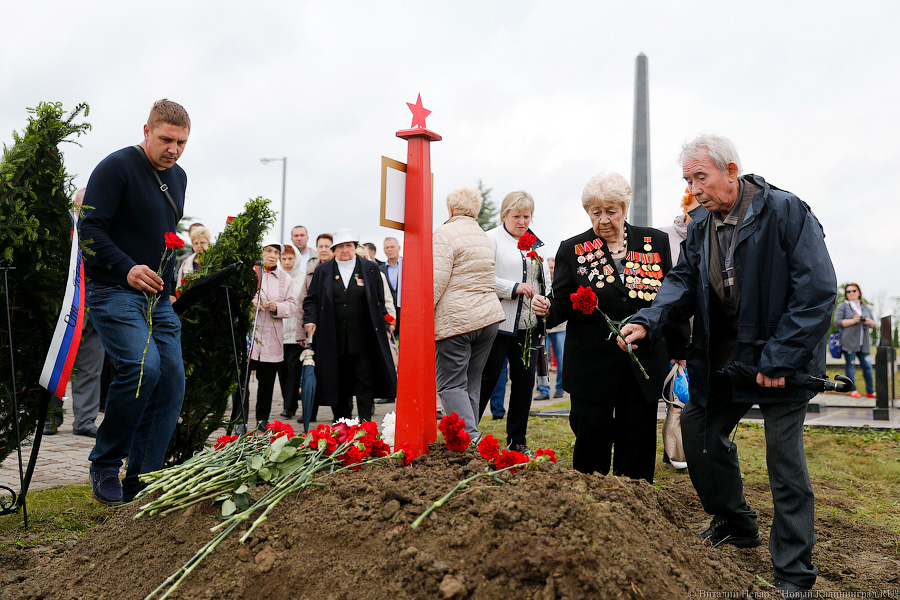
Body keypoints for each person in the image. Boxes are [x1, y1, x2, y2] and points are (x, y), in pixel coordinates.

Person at [618, 134, 836, 597]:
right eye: (688, 181)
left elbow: (816, 291)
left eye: (701, 177)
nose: (694, 189)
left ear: (731, 171)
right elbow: (681, 282)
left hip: (782, 360)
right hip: (725, 357)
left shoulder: (785, 211)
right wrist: (647, 319)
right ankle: (736, 522)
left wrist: (780, 358)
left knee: (784, 463)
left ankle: (794, 573)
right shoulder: (700, 225)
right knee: (698, 431)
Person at [531, 171, 686, 482]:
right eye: (595, 212)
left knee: (638, 437)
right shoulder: (572, 249)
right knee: (591, 434)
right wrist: (546, 308)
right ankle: (591, 496)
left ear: (624, 209)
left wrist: (680, 350)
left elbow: (670, 299)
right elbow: (561, 303)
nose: (603, 220)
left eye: (611, 211)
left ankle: (635, 497)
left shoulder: (654, 241)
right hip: (591, 363)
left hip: (642, 359)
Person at [79, 99, 191, 505]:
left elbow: (164, 238)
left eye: (181, 142)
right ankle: (105, 463)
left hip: (157, 300)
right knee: (144, 366)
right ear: (146, 131)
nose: (173, 150)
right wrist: (126, 267)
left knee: (172, 378)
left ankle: (142, 480)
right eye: (165, 140)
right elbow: (89, 229)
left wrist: (170, 284)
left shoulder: (178, 177)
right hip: (113, 290)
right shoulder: (116, 167)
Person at [477, 191, 550, 454]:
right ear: (504, 214)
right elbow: (482, 276)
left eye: (526, 216)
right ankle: (467, 434)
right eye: (516, 216)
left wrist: (546, 302)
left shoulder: (536, 244)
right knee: (486, 380)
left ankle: (517, 440)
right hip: (498, 325)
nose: (522, 221)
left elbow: (543, 280)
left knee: (524, 383)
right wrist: (513, 287)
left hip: (528, 328)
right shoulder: (491, 238)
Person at [433, 186, 506, 441]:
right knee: (471, 384)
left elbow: (435, 281)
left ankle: (470, 441)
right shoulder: (482, 235)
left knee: (451, 384)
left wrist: (422, 317)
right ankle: (471, 443)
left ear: (450, 209)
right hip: (488, 318)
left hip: (457, 320)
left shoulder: (444, 234)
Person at [303, 229, 396, 422]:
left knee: (365, 380)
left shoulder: (371, 269)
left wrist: (385, 326)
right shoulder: (323, 271)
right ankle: (342, 422)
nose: (345, 250)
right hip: (333, 337)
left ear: (355, 247)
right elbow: (311, 300)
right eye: (340, 247)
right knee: (338, 381)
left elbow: (379, 302)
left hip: (364, 337)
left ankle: (365, 423)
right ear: (334, 249)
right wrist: (310, 320)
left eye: (349, 246)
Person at [233, 242, 296, 431]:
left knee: (267, 383)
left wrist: (277, 307)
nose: (272, 255)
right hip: (249, 337)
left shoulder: (286, 278)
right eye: (269, 251)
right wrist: (250, 302)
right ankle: (240, 420)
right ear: (261, 253)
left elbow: (292, 305)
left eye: (276, 252)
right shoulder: (250, 273)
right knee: (242, 382)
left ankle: (262, 419)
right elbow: (236, 296)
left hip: (271, 339)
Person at [294, 233, 333, 424]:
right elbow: (303, 303)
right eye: (321, 246)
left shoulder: (338, 269)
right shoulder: (311, 271)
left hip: (333, 331)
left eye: (327, 246)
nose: (324, 250)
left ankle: (339, 412)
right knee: (311, 371)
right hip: (314, 331)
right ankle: (310, 411)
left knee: (334, 372)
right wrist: (301, 333)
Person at [833, 283, 877, 398]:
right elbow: (837, 322)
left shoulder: (865, 307)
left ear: (859, 292)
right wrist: (853, 321)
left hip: (864, 344)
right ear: (846, 294)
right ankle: (853, 390)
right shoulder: (843, 306)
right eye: (848, 291)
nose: (851, 293)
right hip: (849, 343)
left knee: (868, 367)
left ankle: (870, 391)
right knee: (850, 366)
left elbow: (874, 324)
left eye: (854, 291)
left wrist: (869, 321)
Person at [278, 244, 303, 418]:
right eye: (284, 259)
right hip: (279, 331)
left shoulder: (302, 277)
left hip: (295, 332)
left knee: (294, 369)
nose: (287, 262)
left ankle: (290, 406)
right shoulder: (277, 276)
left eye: (290, 259)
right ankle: (287, 402)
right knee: (282, 371)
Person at [658, 187, 704, 263]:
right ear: (686, 209)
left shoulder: (714, 237)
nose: (705, 214)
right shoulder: (662, 235)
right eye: (700, 208)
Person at [175, 225, 211, 290]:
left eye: (202, 242)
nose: (199, 246)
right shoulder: (186, 261)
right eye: (196, 243)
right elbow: (179, 285)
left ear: (208, 243)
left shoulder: (214, 260)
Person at [380, 237, 403, 334]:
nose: (389, 250)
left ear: (399, 248)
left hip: (405, 310)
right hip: (389, 311)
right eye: (387, 247)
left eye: (392, 247)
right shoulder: (380, 270)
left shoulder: (407, 265)